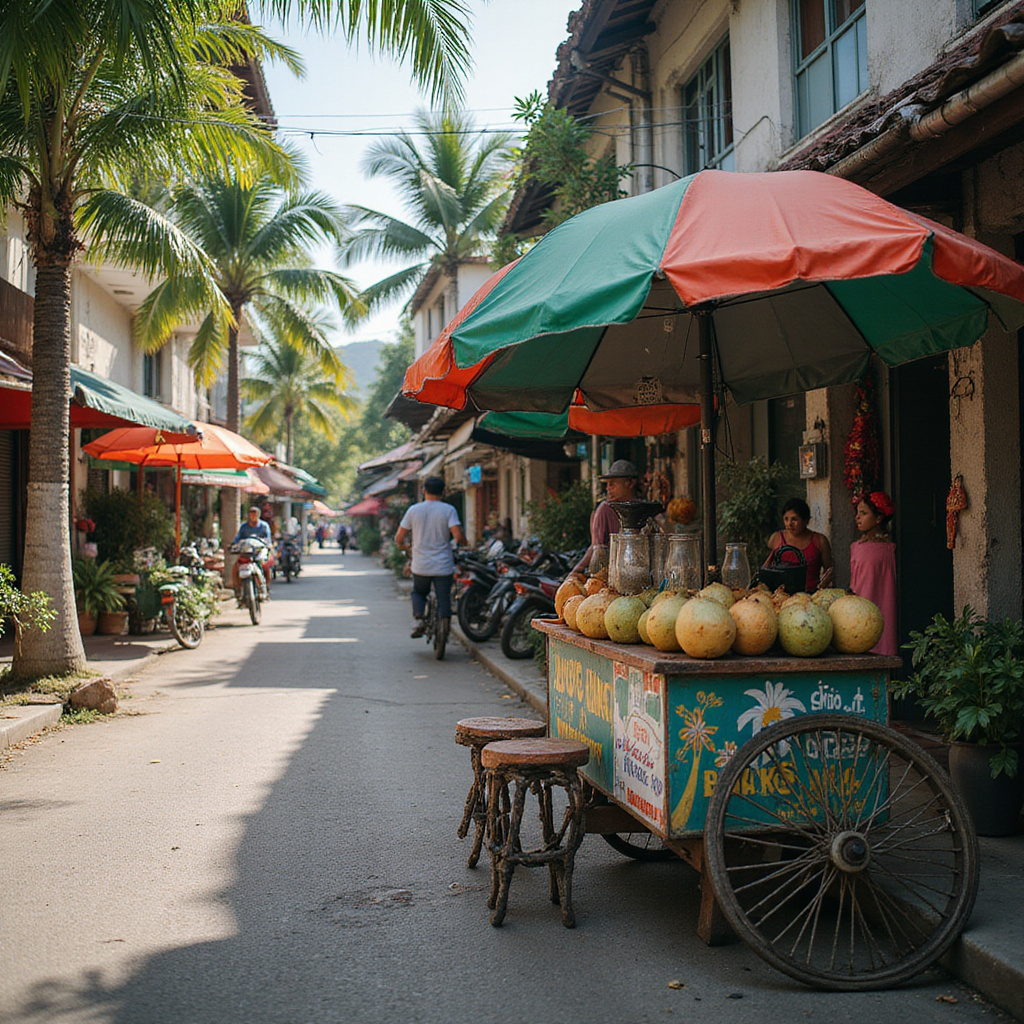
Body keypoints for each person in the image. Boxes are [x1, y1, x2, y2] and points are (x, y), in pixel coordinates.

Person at [395, 476, 467, 638]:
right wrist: (462, 542)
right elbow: (457, 536)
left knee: (419, 592)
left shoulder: (414, 510)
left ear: (424, 491)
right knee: (444, 596)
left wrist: (403, 546)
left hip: (421, 565)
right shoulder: (448, 510)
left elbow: (399, 537)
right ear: (443, 491)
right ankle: (445, 622)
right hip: (443, 565)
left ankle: (419, 618)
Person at [570, 459, 639, 575]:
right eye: (607, 484)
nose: (608, 488)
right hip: (612, 574)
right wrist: (576, 571)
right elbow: (597, 549)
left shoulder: (642, 508)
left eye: (612, 484)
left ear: (630, 483)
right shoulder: (605, 509)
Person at [850, 491, 898, 655]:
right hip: (858, 609)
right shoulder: (856, 547)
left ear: (878, 518)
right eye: (857, 513)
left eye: (863, 513)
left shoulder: (886, 549)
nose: (858, 517)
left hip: (879, 608)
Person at [763, 497, 834, 592]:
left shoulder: (820, 541)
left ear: (806, 520)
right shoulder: (776, 539)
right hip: (780, 595)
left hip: (811, 594)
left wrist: (822, 585)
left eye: (794, 519)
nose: (789, 523)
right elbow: (765, 568)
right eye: (786, 519)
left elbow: (829, 571)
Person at [232, 504, 273, 592]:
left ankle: (265, 586)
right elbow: (238, 538)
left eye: (255, 514)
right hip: (247, 551)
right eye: (251, 514)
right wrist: (235, 545)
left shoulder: (264, 526)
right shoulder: (244, 526)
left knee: (266, 566)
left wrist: (268, 545)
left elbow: (268, 539)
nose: (253, 516)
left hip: (259, 551)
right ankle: (237, 587)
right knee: (236, 567)